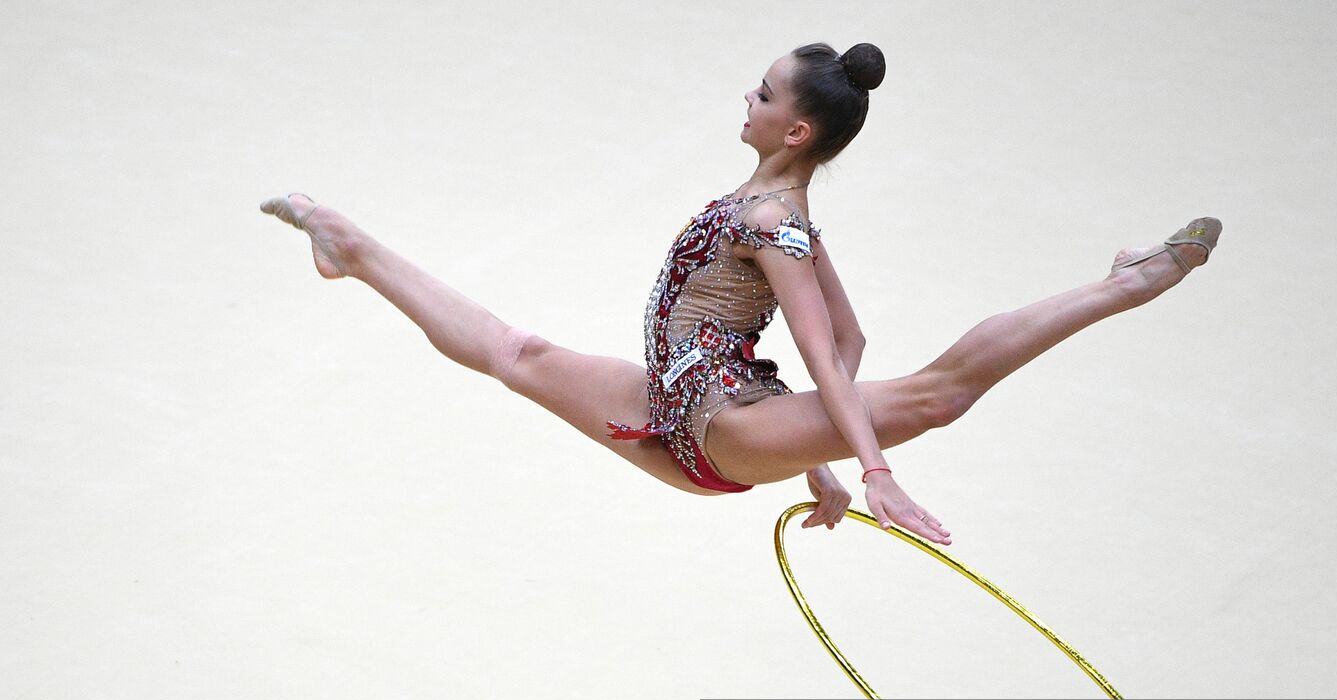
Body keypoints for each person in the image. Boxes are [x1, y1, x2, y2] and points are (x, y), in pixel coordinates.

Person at [259, 41, 1221, 546]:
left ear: (797, 131)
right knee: (515, 353)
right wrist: (817, 454)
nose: (748, 101)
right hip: (678, 411)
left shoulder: (773, 224)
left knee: (939, 396)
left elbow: (821, 350)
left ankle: (1134, 282)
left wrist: (869, 465)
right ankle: (349, 242)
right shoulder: (775, 210)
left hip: (711, 419)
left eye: (763, 94)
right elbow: (850, 336)